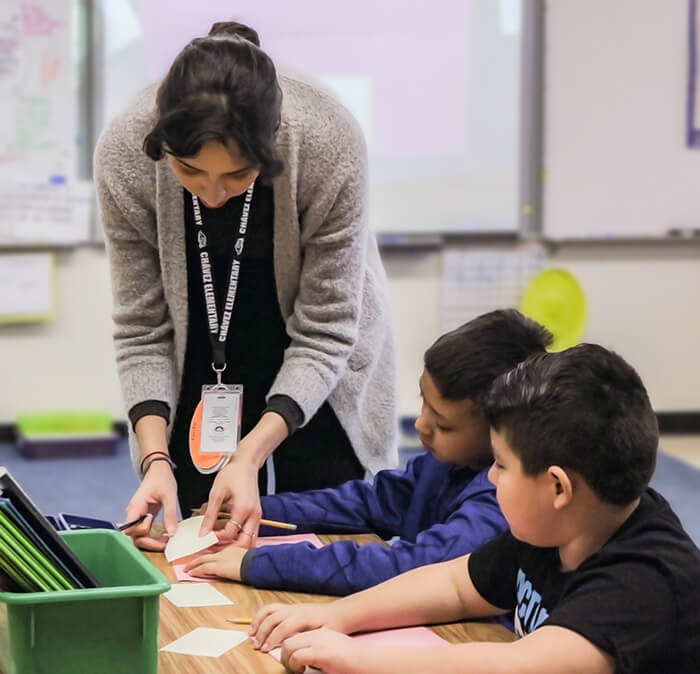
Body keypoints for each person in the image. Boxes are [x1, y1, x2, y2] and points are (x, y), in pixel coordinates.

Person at [93, 21, 397, 550]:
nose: (213, 196)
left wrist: (251, 455)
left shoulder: (328, 139)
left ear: (269, 149)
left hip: (321, 363)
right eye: (190, 171)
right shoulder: (125, 153)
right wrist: (155, 458)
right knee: (196, 538)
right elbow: (142, 329)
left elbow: (327, 329)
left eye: (236, 176)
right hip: (203, 354)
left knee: (329, 537)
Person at [248, 344, 700, 674]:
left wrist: (359, 659)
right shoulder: (558, 526)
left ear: (558, 487)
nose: (489, 478)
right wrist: (338, 617)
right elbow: (455, 583)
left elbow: (520, 665)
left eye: (501, 465)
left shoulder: (644, 581)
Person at [184, 309, 553, 595]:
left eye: (443, 424)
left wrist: (258, 563)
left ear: (500, 432)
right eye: (423, 403)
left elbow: (415, 565)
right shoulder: (443, 464)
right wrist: (255, 512)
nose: (420, 426)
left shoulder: (500, 502)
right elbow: (368, 501)